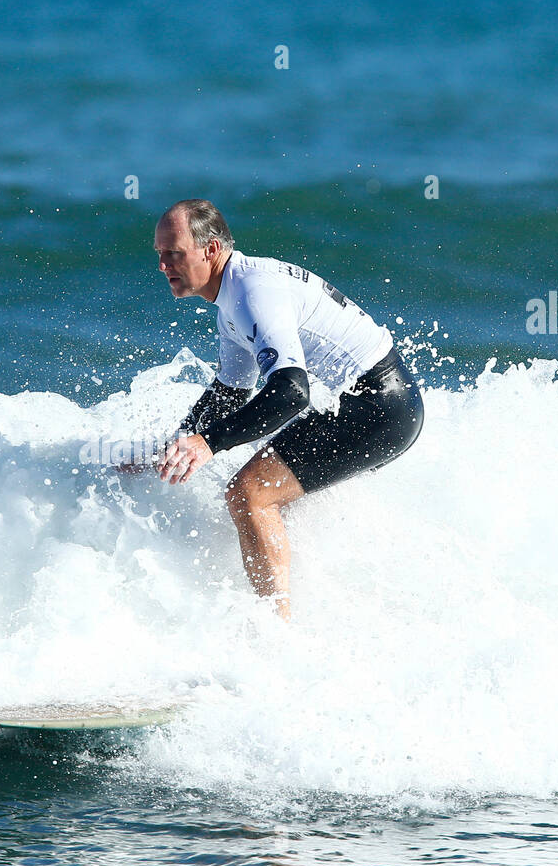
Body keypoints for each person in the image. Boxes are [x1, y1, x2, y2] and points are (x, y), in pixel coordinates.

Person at [151, 199, 424, 621]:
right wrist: (174, 448)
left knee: (249, 494)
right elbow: (230, 391)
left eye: (175, 253)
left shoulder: (252, 293)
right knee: (271, 499)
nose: (164, 265)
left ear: (211, 249)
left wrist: (207, 443)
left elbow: (291, 393)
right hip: (373, 402)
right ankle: (332, 611)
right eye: (160, 254)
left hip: (380, 407)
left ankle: (276, 634)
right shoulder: (232, 298)